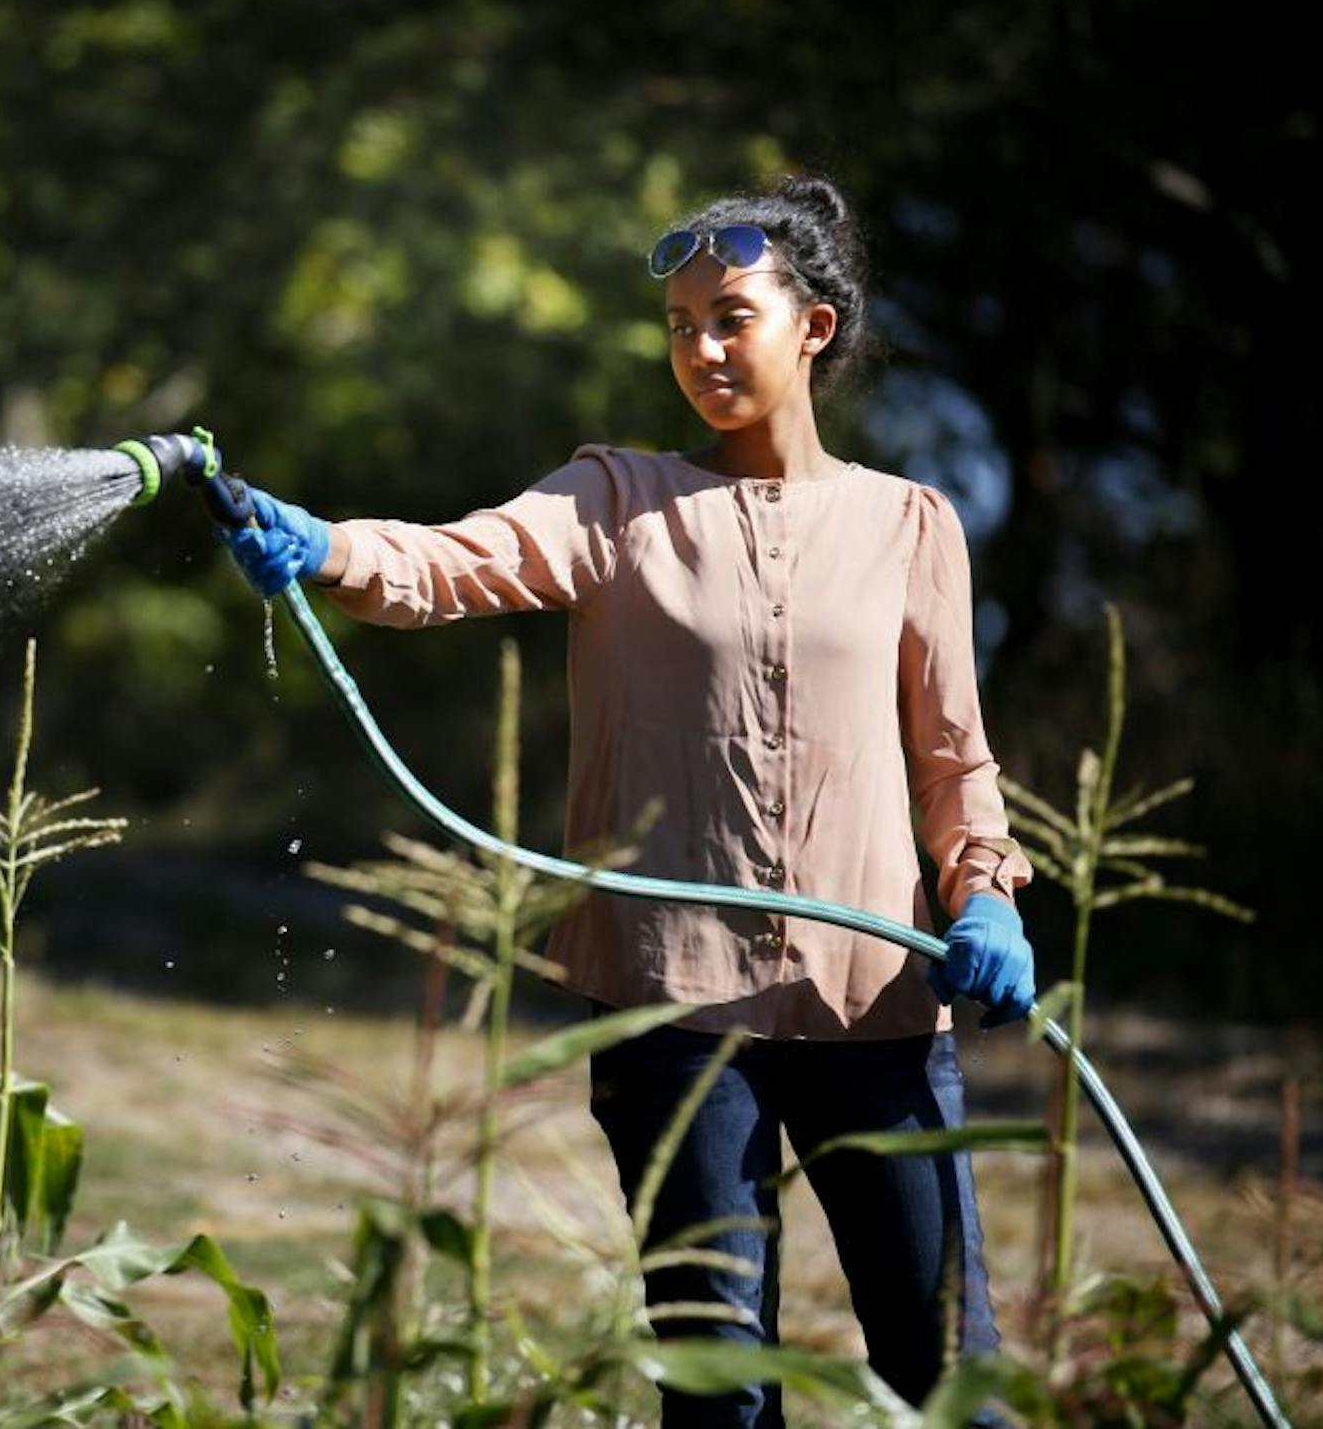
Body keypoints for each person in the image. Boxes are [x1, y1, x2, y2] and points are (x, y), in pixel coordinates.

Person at [217, 176, 1035, 1426]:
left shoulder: (912, 524)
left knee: (949, 1379)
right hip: (671, 1009)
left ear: (811, 328)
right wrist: (328, 545)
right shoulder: (616, 499)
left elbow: (953, 762)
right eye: (677, 324)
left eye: (730, 317)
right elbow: (450, 560)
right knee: (717, 1395)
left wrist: (987, 899)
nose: (699, 349)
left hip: (878, 1003)